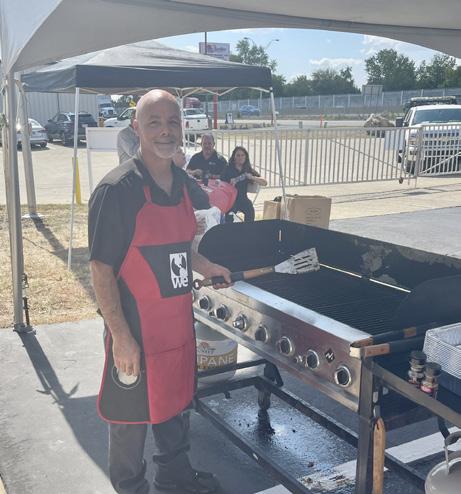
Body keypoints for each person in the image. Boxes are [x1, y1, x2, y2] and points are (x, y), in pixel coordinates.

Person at [88, 89, 231, 494]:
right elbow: (100, 269)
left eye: (173, 122)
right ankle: (131, 488)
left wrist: (207, 266)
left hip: (176, 325)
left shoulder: (184, 185)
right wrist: (121, 337)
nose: (165, 131)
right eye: (154, 122)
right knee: (130, 420)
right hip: (135, 329)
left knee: (175, 405)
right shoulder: (117, 190)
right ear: (136, 128)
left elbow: (180, 246)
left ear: (182, 128)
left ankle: (175, 478)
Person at [221, 146, 267, 222]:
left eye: (242, 155)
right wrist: (229, 184)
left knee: (250, 210)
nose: (240, 157)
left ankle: (248, 228)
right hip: (231, 199)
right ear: (234, 157)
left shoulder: (247, 169)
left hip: (243, 198)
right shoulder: (228, 169)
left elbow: (264, 183)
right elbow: (221, 183)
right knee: (230, 214)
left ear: (246, 157)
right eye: (238, 155)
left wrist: (252, 177)